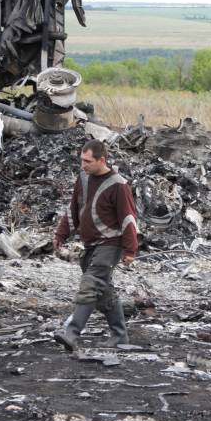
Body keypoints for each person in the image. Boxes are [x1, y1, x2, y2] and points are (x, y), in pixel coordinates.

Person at [52, 139, 139, 350]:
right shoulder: (83, 178)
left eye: (88, 161)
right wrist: (61, 234)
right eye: (81, 160)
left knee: (90, 285)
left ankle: (71, 334)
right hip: (90, 244)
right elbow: (74, 209)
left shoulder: (119, 185)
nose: (83, 165)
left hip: (111, 244)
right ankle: (119, 335)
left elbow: (128, 218)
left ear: (102, 160)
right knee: (103, 290)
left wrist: (130, 250)